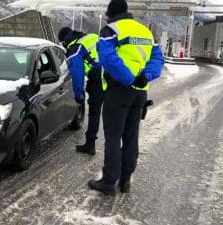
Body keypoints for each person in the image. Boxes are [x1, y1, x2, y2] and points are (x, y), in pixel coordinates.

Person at [88, 0, 164, 195]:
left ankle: (108, 182)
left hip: (119, 90)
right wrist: (144, 76)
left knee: (113, 137)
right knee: (131, 136)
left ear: (109, 13)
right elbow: (157, 58)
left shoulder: (111, 30)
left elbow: (107, 58)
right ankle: (126, 180)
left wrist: (128, 78)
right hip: (140, 93)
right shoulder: (145, 32)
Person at [58, 27, 105, 155]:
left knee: (95, 113)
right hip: (113, 76)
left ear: (64, 41)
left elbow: (77, 74)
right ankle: (117, 148)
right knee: (114, 113)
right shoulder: (92, 36)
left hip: (98, 79)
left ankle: (90, 145)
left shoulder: (74, 50)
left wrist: (78, 95)